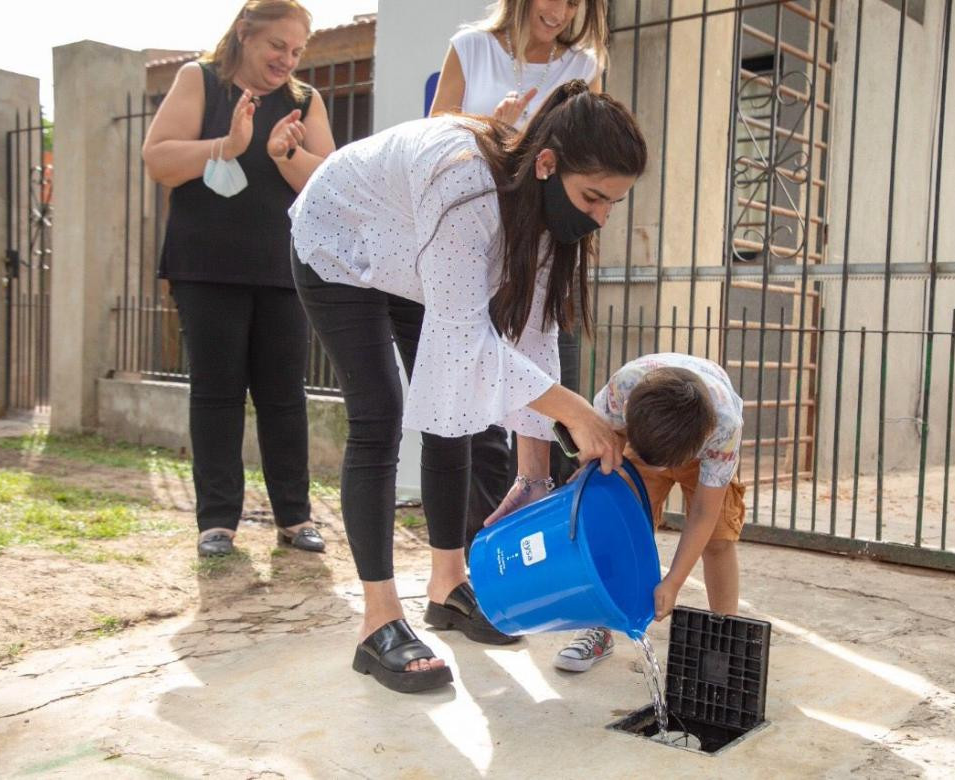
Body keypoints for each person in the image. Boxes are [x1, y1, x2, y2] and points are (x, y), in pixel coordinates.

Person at [289, 81, 646, 693]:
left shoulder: (544, 218)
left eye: (612, 203)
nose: (600, 217)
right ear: (546, 163)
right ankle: (378, 624)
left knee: (452, 413)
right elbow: (468, 343)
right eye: (593, 198)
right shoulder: (465, 182)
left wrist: (533, 476)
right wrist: (575, 413)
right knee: (379, 415)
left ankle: (448, 586)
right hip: (341, 239)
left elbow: (531, 341)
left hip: (410, 260)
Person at [142, 0, 335, 557]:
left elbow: (329, 181)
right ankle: (217, 523)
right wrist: (226, 146)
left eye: (296, 51)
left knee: (284, 395)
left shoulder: (304, 100)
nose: (286, 59)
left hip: (283, 268)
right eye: (278, 45)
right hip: (205, 267)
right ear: (245, 34)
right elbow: (158, 160)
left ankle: (295, 519)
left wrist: (283, 153)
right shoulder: (198, 79)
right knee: (217, 393)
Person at [429, 0, 610, 550]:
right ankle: (475, 555)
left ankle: (537, 540)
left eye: (576, 1)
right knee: (475, 405)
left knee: (546, 387)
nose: (561, 11)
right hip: (472, 244)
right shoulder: (471, 48)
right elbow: (433, 136)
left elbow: (595, 153)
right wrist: (491, 128)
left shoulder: (583, 66)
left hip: (546, 249)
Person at [546, 353, 746, 672]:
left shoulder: (723, 428)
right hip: (637, 442)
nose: (663, 471)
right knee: (619, 530)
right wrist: (592, 480)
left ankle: (726, 640)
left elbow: (704, 512)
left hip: (693, 445)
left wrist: (674, 582)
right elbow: (600, 443)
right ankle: (599, 627)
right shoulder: (622, 390)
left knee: (719, 540)